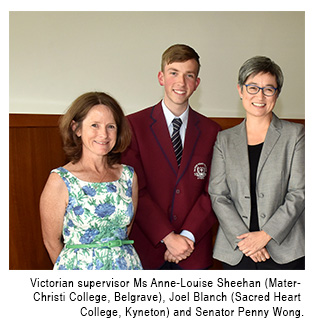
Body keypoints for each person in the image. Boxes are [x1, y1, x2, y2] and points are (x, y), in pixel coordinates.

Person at [121, 44, 221, 269]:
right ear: (161, 77)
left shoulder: (213, 131)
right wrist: (168, 237)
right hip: (148, 250)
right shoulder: (133, 126)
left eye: (189, 75)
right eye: (174, 73)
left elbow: (213, 191)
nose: (181, 82)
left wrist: (187, 236)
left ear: (197, 83)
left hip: (193, 251)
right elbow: (135, 190)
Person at [209, 56, 305, 270]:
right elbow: (218, 195)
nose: (260, 96)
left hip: (284, 250)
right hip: (237, 250)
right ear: (240, 90)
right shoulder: (224, 139)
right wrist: (247, 241)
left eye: (268, 89)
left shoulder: (295, 134)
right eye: (252, 87)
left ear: (277, 94)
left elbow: (299, 192)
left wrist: (265, 235)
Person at [40, 92, 142, 270]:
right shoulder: (60, 180)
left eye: (111, 126)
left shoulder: (128, 176)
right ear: (77, 129)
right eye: (94, 125)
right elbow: (51, 241)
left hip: (126, 268)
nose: (103, 134)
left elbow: (126, 230)